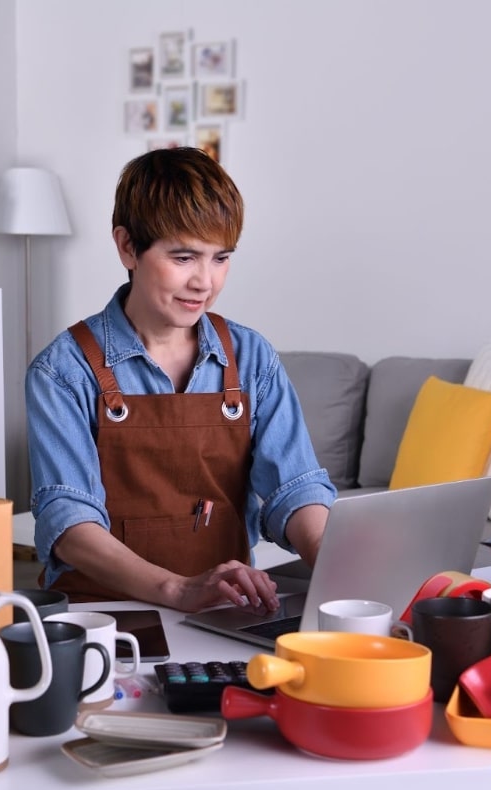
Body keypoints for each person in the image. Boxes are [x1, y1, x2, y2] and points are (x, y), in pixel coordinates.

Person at [26, 147, 335, 616]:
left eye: (221, 258)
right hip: (103, 618)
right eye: (184, 256)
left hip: (222, 613)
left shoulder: (252, 359)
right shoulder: (64, 370)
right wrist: (175, 590)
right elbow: (68, 521)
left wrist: (338, 568)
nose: (205, 283)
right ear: (128, 247)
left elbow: (295, 487)